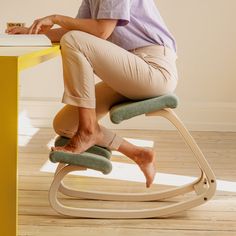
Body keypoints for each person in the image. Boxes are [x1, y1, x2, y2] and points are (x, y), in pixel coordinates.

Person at [7, 0, 178, 188]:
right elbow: (79, 32)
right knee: (65, 124)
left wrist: (56, 18)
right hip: (132, 70)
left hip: (152, 69)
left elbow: (100, 31)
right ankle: (138, 153)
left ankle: (88, 131)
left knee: (73, 40)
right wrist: (32, 35)